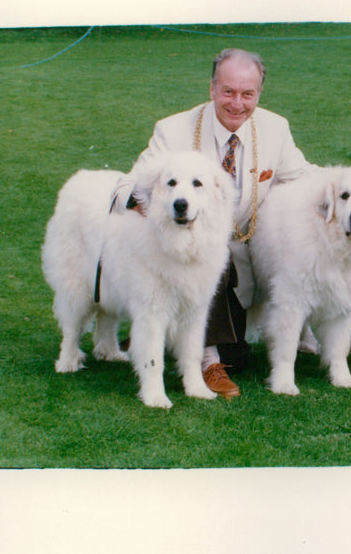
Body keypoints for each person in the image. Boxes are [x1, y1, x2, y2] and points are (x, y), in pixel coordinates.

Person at [117, 48, 312, 396]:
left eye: (247, 94)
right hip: (186, 252)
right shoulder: (173, 131)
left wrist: (348, 189)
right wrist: (160, 206)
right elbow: (126, 188)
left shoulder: (275, 128)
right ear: (211, 88)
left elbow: (303, 178)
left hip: (242, 257)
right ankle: (206, 361)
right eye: (228, 91)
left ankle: (174, 338)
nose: (237, 103)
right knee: (205, 249)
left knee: (238, 357)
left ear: (259, 94)